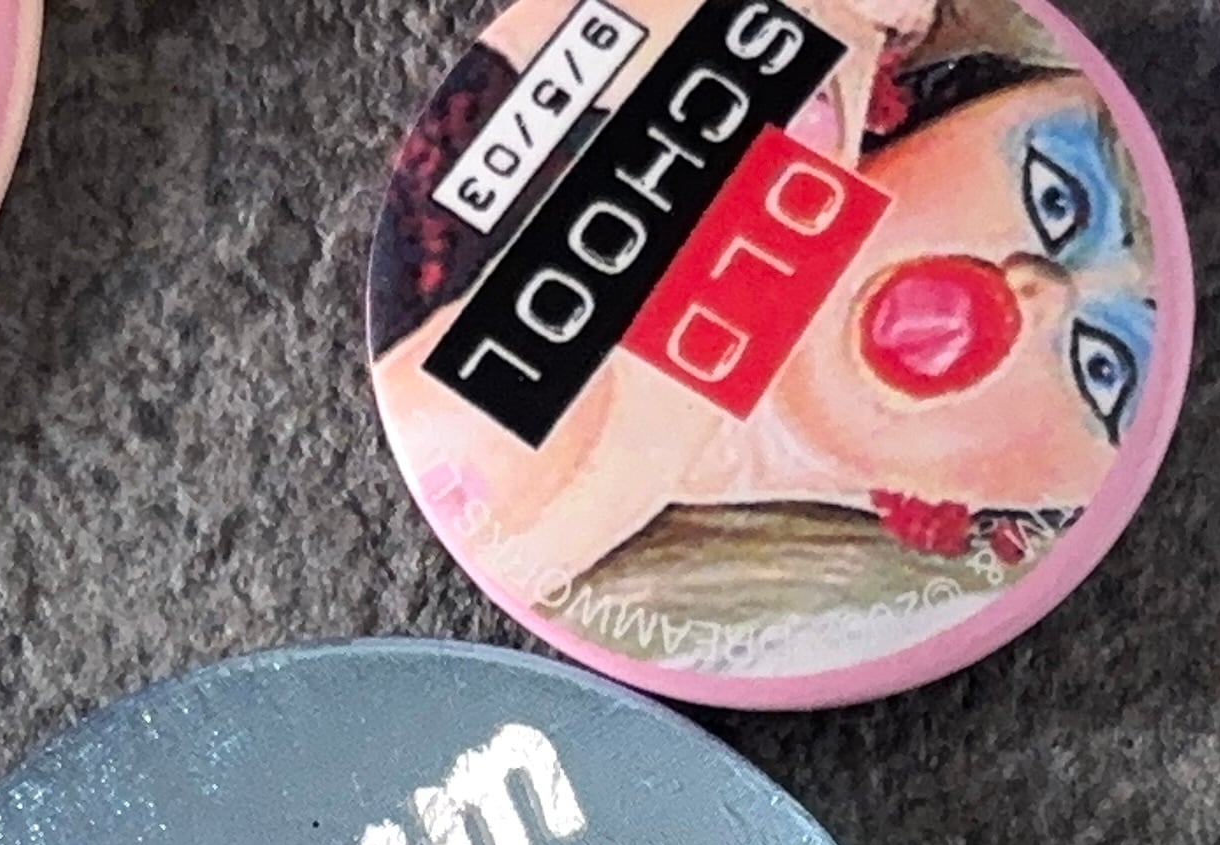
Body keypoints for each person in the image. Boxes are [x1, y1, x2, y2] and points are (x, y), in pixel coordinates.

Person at [370, 0, 1170, 676]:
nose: (1042, 288)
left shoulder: (784, 633)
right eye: (1059, 199)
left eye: (1106, 368)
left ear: (1029, 502)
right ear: (942, 114)